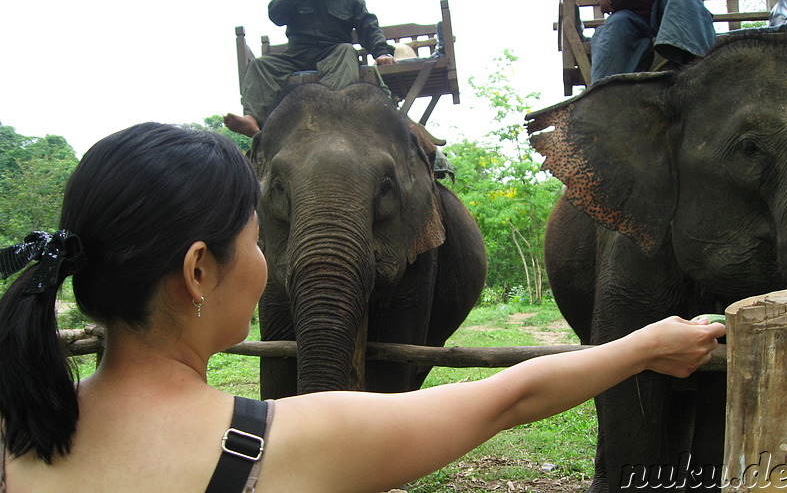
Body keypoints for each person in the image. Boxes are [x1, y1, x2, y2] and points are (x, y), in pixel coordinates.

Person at [0, 122, 725, 493]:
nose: (265, 266)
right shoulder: (280, 445)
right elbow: (509, 399)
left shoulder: (14, 438)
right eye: (260, 243)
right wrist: (647, 344)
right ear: (198, 270)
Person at [224, 0, 396, 139]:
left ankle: (334, 110)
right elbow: (276, 15)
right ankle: (252, 119)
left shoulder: (351, 0)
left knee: (346, 50)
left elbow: (368, 28)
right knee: (260, 64)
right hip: (296, 53)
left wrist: (381, 52)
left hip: (332, 53)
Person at [558, 0, 717, 82]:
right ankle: (604, 93)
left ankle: (695, 67)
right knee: (615, 25)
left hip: (670, 14)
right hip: (629, 18)